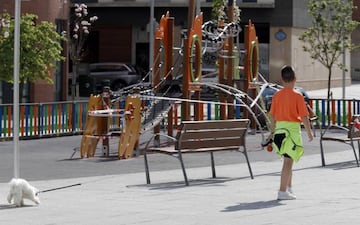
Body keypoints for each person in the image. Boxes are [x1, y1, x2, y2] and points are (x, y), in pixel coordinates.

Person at [268, 65, 313, 200]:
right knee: (288, 162)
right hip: (292, 131)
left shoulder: (277, 95)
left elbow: (273, 116)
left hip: (280, 131)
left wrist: (272, 132)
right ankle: (282, 191)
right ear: (295, 79)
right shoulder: (297, 96)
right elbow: (304, 116)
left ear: (282, 79)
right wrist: (309, 132)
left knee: (288, 160)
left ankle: (288, 188)